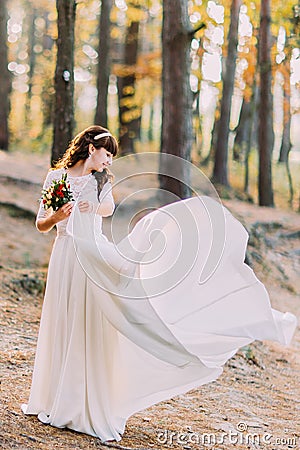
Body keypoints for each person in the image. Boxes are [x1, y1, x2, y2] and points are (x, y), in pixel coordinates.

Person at [22, 125, 297, 442]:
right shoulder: (56, 178)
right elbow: (41, 223)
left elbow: (108, 208)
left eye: (113, 155)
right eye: (107, 153)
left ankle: (82, 401)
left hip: (91, 255)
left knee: (88, 325)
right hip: (64, 254)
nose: (110, 160)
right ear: (89, 148)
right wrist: (59, 217)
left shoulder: (101, 181)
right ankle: (53, 396)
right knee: (62, 322)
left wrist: (92, 207)